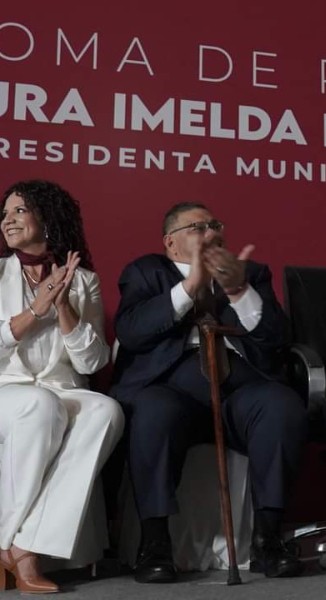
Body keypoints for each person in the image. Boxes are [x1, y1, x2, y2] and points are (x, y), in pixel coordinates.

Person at [111, 202, 306, 583]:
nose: (210, 231)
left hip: (240, 393)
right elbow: (132, 331)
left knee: (281, 405)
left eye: (214, 224)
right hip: (170, 389)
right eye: (197, 226)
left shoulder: (250, 274)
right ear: (171, 242)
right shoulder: (146, 272)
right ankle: (155, 545)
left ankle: (268, 541)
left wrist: (237, 289)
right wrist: (189, 288)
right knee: (152, 411)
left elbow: (276, 338)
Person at [0, 180, 124, 594]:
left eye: (20, 211)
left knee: (106, 411)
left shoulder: (82, 279)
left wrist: (64, 304)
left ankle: (24, 541)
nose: (8, 220)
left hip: (61, 387)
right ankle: (23, 551)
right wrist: (36, 310)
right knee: (38, 404)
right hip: (7, 390)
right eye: (5, 213)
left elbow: (91, 362)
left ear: (47, 219)